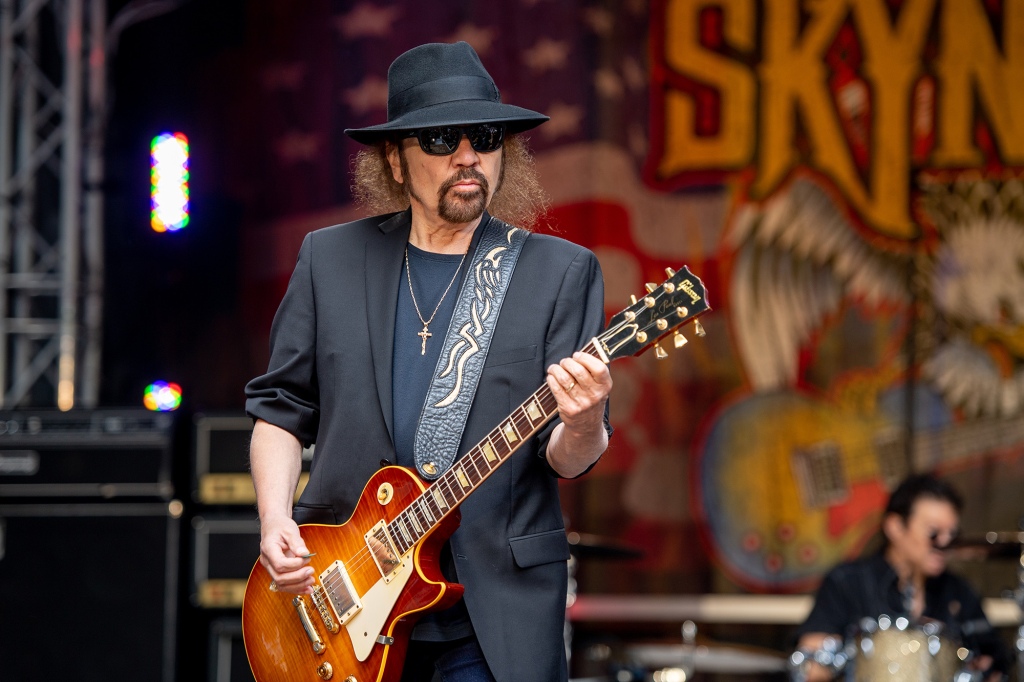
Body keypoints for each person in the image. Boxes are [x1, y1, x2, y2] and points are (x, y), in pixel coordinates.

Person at [244, 41, 613, 682]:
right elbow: (281, 411)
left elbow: (566, 457)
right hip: (342, 595)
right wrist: (275, 518)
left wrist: (583, 422)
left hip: (492, 607)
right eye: (442, 139)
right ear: (395, 157)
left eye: (487, 137)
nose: (468, 157)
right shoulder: (329, 262)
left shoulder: (560, 272)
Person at [792, 473, 1011, 681]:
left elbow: (993, 658)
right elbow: (812, 661)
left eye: (952, 535)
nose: (944, 543)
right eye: (934, 533)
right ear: (895, 527)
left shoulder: (959, 592)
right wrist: (821, 658)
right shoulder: (848, 582)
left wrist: (986, 665)